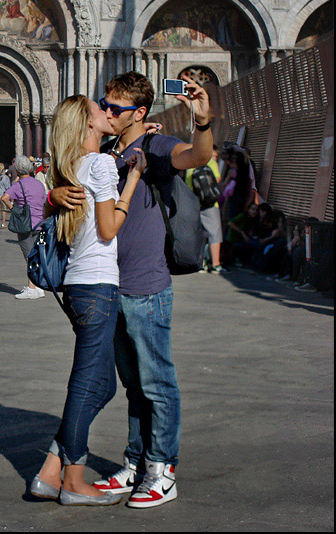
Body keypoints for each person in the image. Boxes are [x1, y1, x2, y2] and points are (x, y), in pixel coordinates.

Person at [52, 71, 214, 508]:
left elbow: (198, 156)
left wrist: (201, 119)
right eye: (104, 105)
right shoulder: (105, 152)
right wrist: (55, 195)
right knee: (133, 385)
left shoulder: (156, 148)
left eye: (115, 108)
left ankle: (162, 468)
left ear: (140, 113)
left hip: (145, 285)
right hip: (108, 287)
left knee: (158, 381)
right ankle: (135, 461)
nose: (106, 112)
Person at [30, 93, 146, 506]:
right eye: (102, 111)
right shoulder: (97, 165)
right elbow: (109, 227)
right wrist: (130, 185)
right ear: (87, 125)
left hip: (78, 289)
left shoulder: (74, 167)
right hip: (98, 286)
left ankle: (49, 472)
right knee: (85, 386)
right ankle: (74, 482)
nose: (110, 113)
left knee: (102, 386)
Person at [1, 155, 48, 300]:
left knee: (29, 256)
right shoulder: (39, 184)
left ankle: (31, 288)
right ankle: (39, 286)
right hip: (40, 223)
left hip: (25, 224)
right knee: (38, 254)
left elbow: (4, 198)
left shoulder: (18, 185)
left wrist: (13, 209)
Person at [186, 143, 224, 273]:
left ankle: (201, 263)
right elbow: (217, 179)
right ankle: (215, 264)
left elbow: (187, 184)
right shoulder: (211, 162)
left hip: (194, 203)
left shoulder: (191, 162)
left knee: (198, 234)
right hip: (211, 204)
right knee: (215, 233)